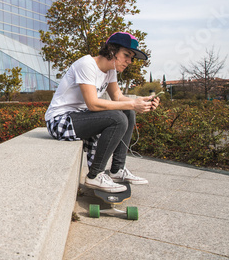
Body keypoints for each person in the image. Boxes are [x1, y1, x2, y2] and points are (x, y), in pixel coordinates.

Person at [45, 32, 160, 193]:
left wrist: (141, 102)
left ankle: (117, 170)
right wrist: (133, 104)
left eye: (132, 57)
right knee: (118, 118)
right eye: (126, 55)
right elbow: (92, 104)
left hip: (80, 117)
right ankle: (95, 175)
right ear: (112, 51)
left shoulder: (111, 71)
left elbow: (118, 97)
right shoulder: (87, 64)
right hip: (60, 121)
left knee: (127, 113)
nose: (129, 61)